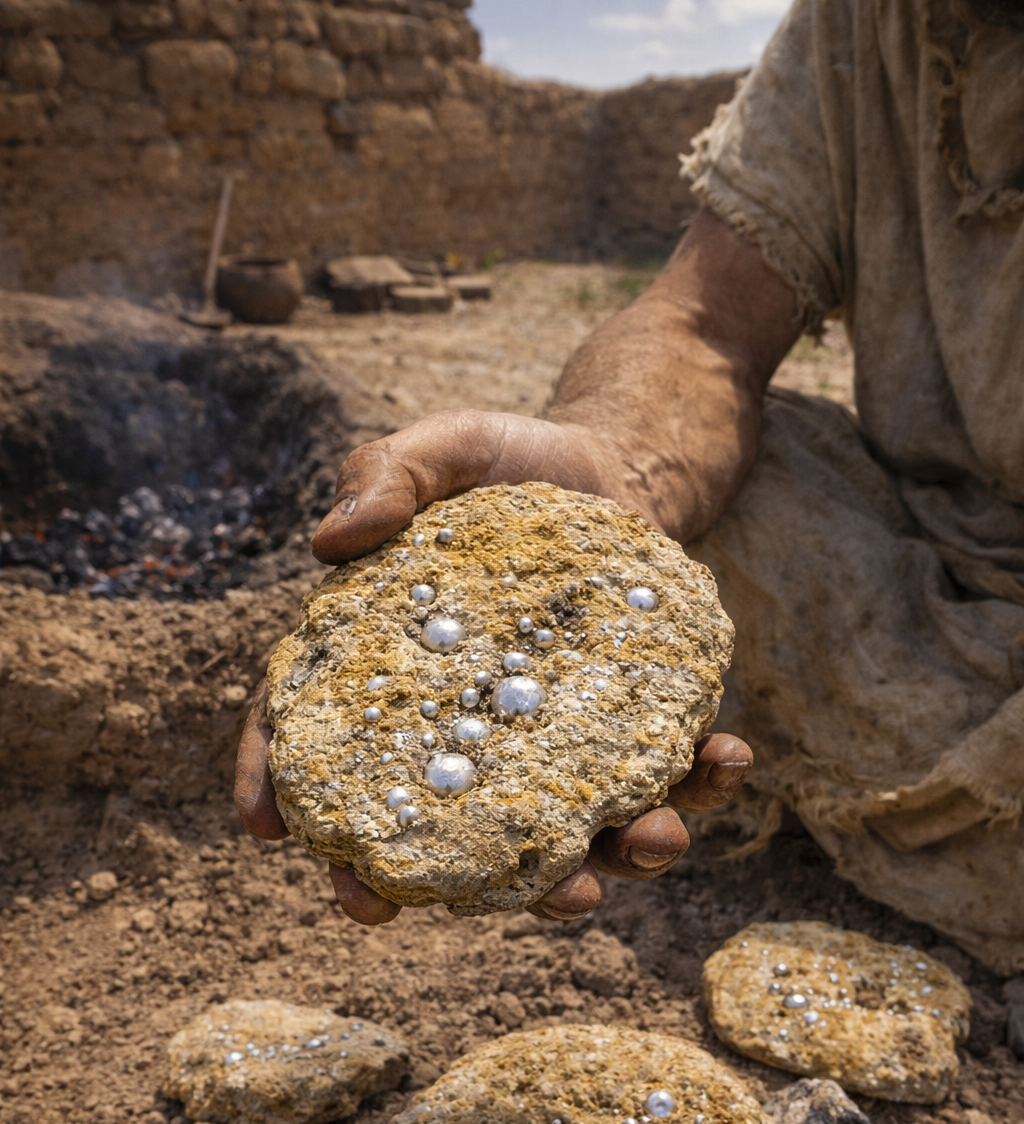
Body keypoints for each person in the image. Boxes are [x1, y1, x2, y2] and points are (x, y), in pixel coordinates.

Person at [237, 0, 1024, 977]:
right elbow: (707, 325)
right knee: (710, 523)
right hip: (958, 539)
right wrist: (613, 467)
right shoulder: (874, 22)